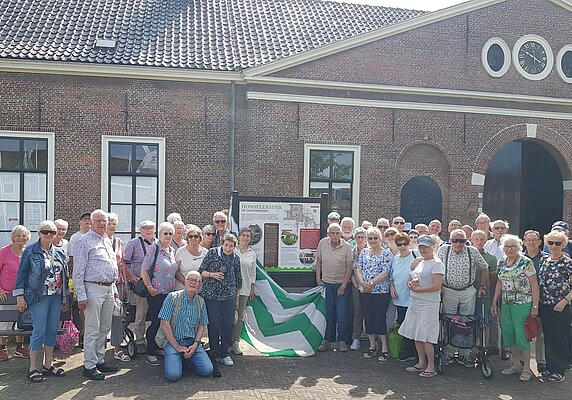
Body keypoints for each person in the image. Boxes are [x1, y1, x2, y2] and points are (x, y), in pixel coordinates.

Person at [14, 221, 69, 382]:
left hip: (56, 297)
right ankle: (33, 368)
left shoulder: (59, 252)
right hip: (39, 297)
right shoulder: (30, 251)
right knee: (39, 331)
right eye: (46, 232)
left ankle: (48, 364)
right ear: (39, 233)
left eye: (52, 232)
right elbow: (21, 275)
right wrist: (20, 297)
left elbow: (64, 277)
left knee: (52, 331)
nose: (49, 235)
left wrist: (65, 297)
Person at [73, 210, 119, 380]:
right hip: (93, 288)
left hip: (108, 288)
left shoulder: (107, 240)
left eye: (104, 221)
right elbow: (77, 271)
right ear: (91, 223)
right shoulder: (83, 241)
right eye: (98, 221)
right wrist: (81, 296)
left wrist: (113, 291)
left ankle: (100, 360)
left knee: (104, 327)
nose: (102, 224)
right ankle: (89, 365)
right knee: (92, 328)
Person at [437, 229, 489, 367]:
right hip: (449, 291)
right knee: (448, 321)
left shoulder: (473, 251)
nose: (458, 243)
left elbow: (485, 268)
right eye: (455, 240)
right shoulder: (443, 250)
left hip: (467, 291)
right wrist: (439, 284)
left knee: (467, 322)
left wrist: (482, 286)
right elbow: (436, 267)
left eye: (461, 241)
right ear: (450, 240)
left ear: (466, 241)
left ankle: (464, 354)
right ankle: (448, 352)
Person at [491, 234, 539, 382]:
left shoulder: (526, 262)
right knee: (509, 334)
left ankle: (527, 369)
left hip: (523, 304)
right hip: (506, 304)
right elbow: (500, 282)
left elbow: (534, 286)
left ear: (518, 247)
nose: (510, 249)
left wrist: (535, 307)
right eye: (507, 246)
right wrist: (494, 301)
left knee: (522, 335)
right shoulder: (501, 262)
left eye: (513, 246)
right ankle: (516, 364)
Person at [398, 235, 445, 378]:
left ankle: (431, 366)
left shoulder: (437, 263)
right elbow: (413, 279)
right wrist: (411, 285)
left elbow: (437, 286)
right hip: (415, 301)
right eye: (421, 246)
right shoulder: (420, 262)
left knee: (426, 335)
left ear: (433, 247)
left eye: (426, 246)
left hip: (429, 303)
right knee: (416, 333)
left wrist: (419, 290)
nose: (423, 249)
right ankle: (421, 362)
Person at [159, 270, 213, 382]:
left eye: (196, 281)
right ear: (185, 281)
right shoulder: (172, 297)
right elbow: (165, 324)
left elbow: (202, 326)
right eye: (190, 279)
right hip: (172, 342)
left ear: (199, 285)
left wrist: (195, 344)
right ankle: (177, 359)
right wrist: (177, 347)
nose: (192, 283)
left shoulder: (201, 301)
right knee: (173, 376)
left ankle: (185, 360)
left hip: (191, 343)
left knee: (207, 370)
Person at [199, 233, 242, 366]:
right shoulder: (212, 253)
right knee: (214, 324)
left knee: (228, 324)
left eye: (231, 246)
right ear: (222, 244)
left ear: (234, 247)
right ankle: (214, 352)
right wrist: (212, 275)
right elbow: (201, 271)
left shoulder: (236, 258)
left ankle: (224, 353)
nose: (228, 248)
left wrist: (237, 297)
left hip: (229, 296)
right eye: (226, 245)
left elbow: (238, 279)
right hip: (212, 296)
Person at [140, 221, 178, 367]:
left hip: (168, 293)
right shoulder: (153, 248)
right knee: (156, 322)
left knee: (165, 323)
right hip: (156, 293)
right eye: (165, 233)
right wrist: (149, 287)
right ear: (160, 234)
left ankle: (158, 347)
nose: (168, 236)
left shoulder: (171, 251)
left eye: (170, 234)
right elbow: (144, 270)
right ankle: (150, 352)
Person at [537, 230, 572, 382]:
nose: (554, 246)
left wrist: (565, 300)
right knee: (548, 337)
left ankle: (560, 371)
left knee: (560, 337)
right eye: (550, 243)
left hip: (561, 306)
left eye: (558, 243)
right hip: (545, 304)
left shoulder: (567, 263)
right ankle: (550, 367)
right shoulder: (544, 260)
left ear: (563, 244)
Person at [355, 227, 392, 361]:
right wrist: (363, 283)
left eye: (375, 238)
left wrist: (371, 284)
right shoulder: (364, 252)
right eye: (370, 238)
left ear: (380, 239)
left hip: (380, 292)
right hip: (365, 291)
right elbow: (359, 268)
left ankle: (384, 348)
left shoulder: (386, 253)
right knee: (368, 318)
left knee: (379, 318)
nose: (373, 240)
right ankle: (372, 346)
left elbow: (385, 272)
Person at [315, 223, 353, 352]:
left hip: (342, 285)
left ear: (341, 233)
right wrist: (318, 279)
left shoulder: (347, 247)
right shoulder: (322, 243)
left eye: (337, 233)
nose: (335, 235)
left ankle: (341, 341)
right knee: (329, 313)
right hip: (327, 284)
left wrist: (343, 285)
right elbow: (318, 262)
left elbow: (349, 268)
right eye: (333, 233)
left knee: (341, 314)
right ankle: (327, 340)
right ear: (328, 234)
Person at [124, 220, 157, 354]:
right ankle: (139, 340)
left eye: (151, 228)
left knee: (155, 313)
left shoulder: (157, 243)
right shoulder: (134, 243)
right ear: (140, 230)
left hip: (156, 283)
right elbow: (124, 262)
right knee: (141, 313)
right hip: (141, 284)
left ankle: (153, 339)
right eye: (146, 228)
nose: (149, 230)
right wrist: (132, 276)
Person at [0, 225, 31, 360]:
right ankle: (2, 349)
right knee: (5, 322)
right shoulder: (3, 252)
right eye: (18, 235)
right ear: (13, 237)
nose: (21, 238)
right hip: (6, 293)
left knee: (22, 322)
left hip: (23, 294)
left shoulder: (28, 252)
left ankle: (19, 348)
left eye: (23, 236)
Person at [105, 212, 130, 363]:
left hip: (118, 283)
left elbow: (122, 265)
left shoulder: (119, 242)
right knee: (102, 318)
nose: (112, 226)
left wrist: (126, 285)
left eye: (115, 223)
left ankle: (117, 348)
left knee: (118, 316)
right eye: (110, 223)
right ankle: (98, 350)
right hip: (104, 284)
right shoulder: (99, 241)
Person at [470, 230, 499, 356]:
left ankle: (483, 347)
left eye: (482, 239)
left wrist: (485, 289)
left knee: (484, 321)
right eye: (476, 239)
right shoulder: (467, 254)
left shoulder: (491, 258)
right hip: (468, 293)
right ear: (471, 239)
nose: (479, 242)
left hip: (483, 295)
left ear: (486, 240)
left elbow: (493, 279)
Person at [389, 232, 417, 361]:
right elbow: (391, 277)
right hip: (399, 296)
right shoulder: (395, 258)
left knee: (413, 325)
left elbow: (431, 258)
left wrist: (420, 259)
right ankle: (407, 350)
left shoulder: (416, 254)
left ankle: (415, 352)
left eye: (405, 243)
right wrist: (392, 288)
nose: (402, 246)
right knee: (402, 323)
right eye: (399, 244)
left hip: (413, 297)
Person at [523, 229, 548, 372]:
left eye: (534, 239)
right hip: (523, 300)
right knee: (524, 330)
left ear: (539, 242)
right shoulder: (519, 259)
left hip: (543, 299)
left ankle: (541, 361)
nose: (531, 242)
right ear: (524, 242)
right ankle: (522, 359)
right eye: (528, 239)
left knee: (541, 333)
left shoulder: (547, 259)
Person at [231, 228, 257, 355]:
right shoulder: (232, 249)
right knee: (229, 316)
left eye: (248, 236)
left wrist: (252, 288)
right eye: (243, 235)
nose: (245, 238)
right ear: (239, 236)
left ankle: (235, 342)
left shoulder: (252, 253)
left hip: (245, 289)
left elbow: (253, 273)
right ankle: (225, 341)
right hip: (230, 288)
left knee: (240, 316)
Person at [175, 224, 208, 291]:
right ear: (187, 238)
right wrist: (186, 282)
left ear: (200, 238)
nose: (193, 238)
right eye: (190, 236)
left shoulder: (206, 253)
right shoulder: (180, 251)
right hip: (182, 289)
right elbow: (175, 271)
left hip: (199, 291)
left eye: (196, 236)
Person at [350, 227, 367, 350]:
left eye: (362, 237)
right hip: (356, 286)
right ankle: (356, 338)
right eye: (358, 237)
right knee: (357, 312)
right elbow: (349, 269)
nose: (360, 239)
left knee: (371, 313)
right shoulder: (352, 252)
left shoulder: (370, 251)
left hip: (370, 286)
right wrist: (355, 283)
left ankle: (373, 340)